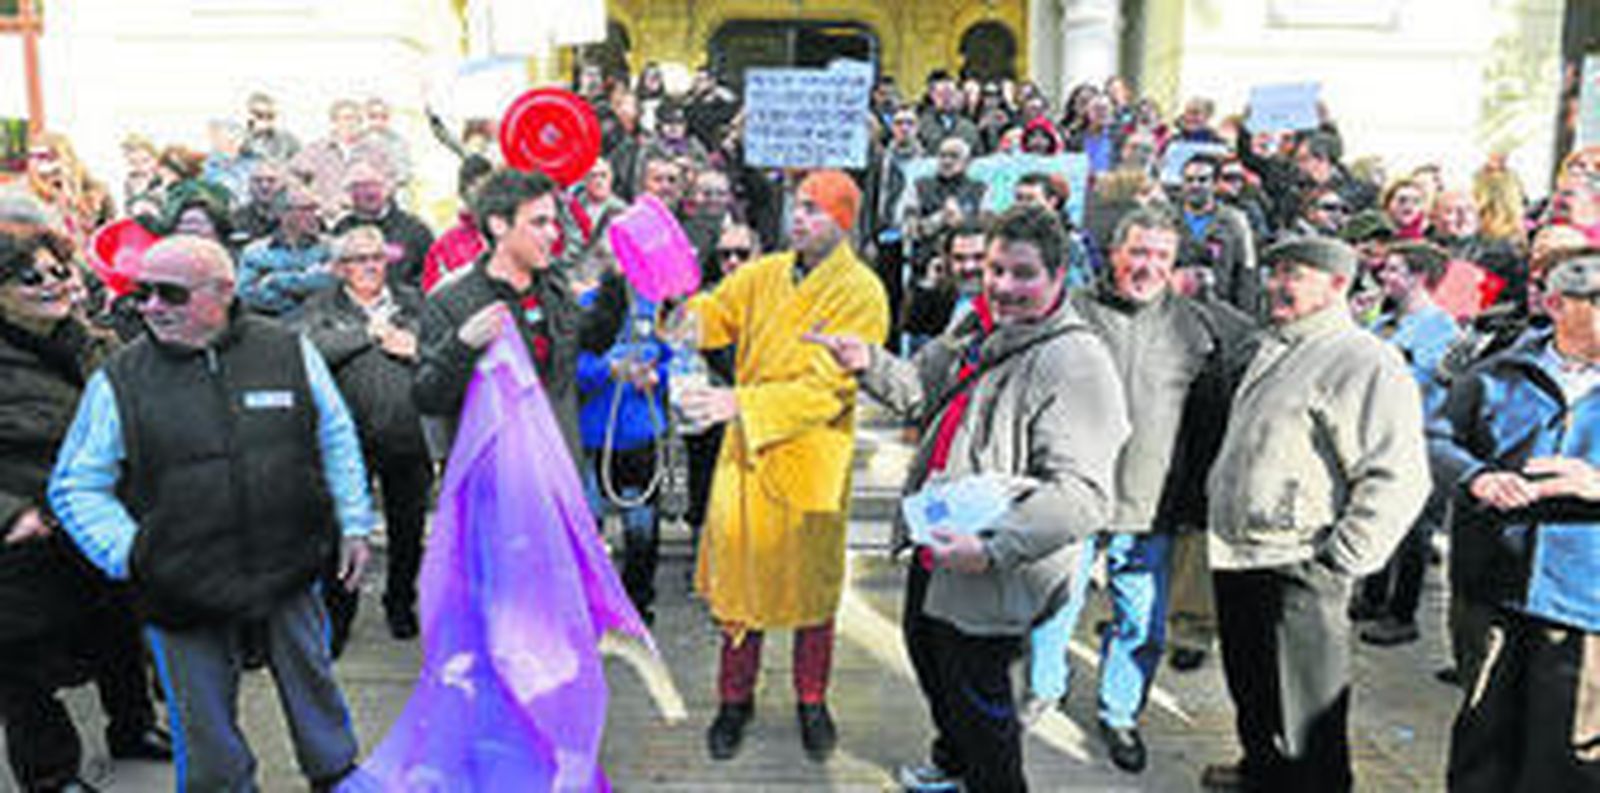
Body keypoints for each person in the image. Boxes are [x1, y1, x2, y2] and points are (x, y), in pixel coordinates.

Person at [808, 205, 1129, 792]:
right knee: (934, 665)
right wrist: (867, 362)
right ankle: (952, 765)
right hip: (939, 542)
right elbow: (914, 391)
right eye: (995, 269)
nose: (1004, 286)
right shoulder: (975, 326)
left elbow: (1083, 495)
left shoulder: (1076, 361)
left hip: (991, 564)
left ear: (1059, 278)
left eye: (1023, 273)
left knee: (983, 708)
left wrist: (991, 548)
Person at [49, 235, 376, 792]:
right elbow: (76, 483)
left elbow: (336, 435)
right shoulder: (120, 379)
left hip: (289, 566)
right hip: (181, 584)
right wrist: (132, 554)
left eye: (169, 293)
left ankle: (336, 773)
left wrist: (353, 521)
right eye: (141, 292)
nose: (151, 306)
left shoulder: (286, 351)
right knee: (202, 721)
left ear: (223, 292)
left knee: (313, 685)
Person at [1023, 207, 1254, 773]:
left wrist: (1195, 503)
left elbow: (1208, 421)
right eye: (1138, 253)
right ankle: (1042, 689)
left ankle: (1120, 711)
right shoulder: (1068, 313)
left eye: (1161, 257)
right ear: (1114, 253)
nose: (1148, 266)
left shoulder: (1196, 330)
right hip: (1072, 496)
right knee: (1054, 604)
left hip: (1152, 504)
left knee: (1141, 621)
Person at [675, 170, 889, 763]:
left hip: (811, 457)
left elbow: (831, 389)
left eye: (816, 211)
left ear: (843, 221)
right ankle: (733, 700)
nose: (799, 218)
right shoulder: (764, 273)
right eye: (797, 207)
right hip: (747, 457)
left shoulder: (862, 291)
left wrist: (739, 403)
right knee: (740, 588)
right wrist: (683, 308)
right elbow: (716, 313)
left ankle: (812, 700)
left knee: (811, 591)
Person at [1202, 236, 1430, 792]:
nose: (1279, 284)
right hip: (1243, 549)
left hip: (1301, 561)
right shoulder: (1275, 345)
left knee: (1309, 717)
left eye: (1297, 274)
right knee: (1254, 689)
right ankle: (1262, 772)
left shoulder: (1363, 359)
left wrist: (1342, 558)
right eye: (1276, 271)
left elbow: (1400, 473)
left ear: (1337, 286)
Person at [0, 226, 172, 793]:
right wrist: (9, 516)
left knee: (118, 629)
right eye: (30, 276)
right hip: (28, 534)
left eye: (58, 271)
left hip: (99, 519)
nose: (52, 283)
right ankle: (50, 775)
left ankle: (133, 726)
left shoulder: (93, 341)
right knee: (22, 663)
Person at [1432, 254, 1600, 792]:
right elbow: (1433, 440)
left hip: (1584, 602)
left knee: (1565, 754)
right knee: (1483, 736)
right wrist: (1477, 477)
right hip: (1492, 589)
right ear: (1555, 306)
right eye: (1596, 301)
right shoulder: (1496, 373)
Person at [415, 168, 624, 459]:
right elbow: (429, 398)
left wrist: (614, 282)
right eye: (539, 223)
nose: (553, 233)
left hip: (559, 470)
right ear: (499, 225)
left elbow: (593, 340)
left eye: (553, 222)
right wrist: (462, 347)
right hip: (492, 480)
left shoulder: (554, 288)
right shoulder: (450, 301)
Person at [298, 226, 432, 647]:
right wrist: (367, 335)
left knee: (408, 529)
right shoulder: (322, 305)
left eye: (376, 257)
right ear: (340, 268)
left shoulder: (413, 302)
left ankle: (400, 603)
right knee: (343, 531)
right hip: (347, 444)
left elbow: (445, 350)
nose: (370, 266)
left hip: (408, 437)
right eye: (358, 259)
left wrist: (416, 347)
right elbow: (308, 349)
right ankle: (339, 615)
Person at [1350, 241, 1459, 647]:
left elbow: (1427, 379)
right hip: (1377, 434)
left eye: (1395, 270)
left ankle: (1402, 612)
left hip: (1419, 437)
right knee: (1377, 515)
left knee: (1413, 529)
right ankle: (1374, 594)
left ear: (1420, 278)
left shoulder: (1442, 328)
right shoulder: (1384, 321)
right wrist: (1359, 324)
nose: (1384, 278)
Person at [1176, 153, 1259, 317]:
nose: (1195, 186)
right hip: (1175, 309)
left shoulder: (1235, 221)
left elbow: (1246, 272)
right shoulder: (1165, 219)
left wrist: (1244, 318)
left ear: (1215, 184)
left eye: (1202, 180)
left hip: (1218, 310)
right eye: (1189, 180)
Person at [237, 183, 335, 319]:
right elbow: (247, 295)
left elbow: (332, 283)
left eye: (315, 209)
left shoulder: (331, 248)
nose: (315, 216)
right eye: (306, 209)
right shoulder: (256, 253)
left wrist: (276, 280)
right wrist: (297, 304)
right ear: (284, 213)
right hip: (274, 325)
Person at [331, 162, 435, 290]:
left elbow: (431, 274)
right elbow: (335, 276)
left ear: (387, 189)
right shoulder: (342, 230)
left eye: (375, 185)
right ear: (350, 193)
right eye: (361, 187)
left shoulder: (415, 229)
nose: (370, 192)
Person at [422, 155, 494, 294]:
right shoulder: (445, 246)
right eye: (472, 185)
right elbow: (432, 296)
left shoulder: (516, 232)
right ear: (462, 194)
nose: (480, 193)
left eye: (486, 187)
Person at [241, 92, 302, 163]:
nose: (264, 121)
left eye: (270, 116)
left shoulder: (288, 140)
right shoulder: (238, 135)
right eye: (259, 115)